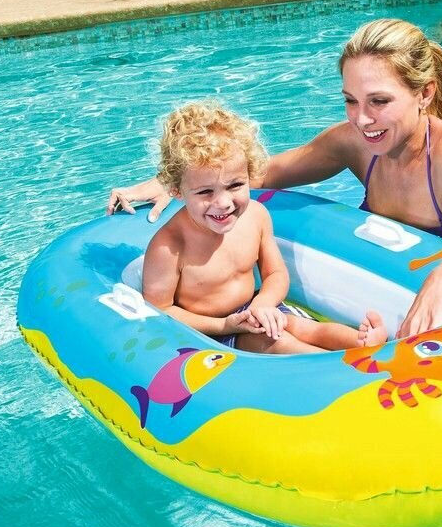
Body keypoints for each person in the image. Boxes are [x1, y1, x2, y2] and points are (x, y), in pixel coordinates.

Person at [109, 19, 442, 338]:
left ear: (424, 93)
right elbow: (257, 174)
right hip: (384, 290)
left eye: (379, 101)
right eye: (351, 100)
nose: (362, 119)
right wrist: (171, 182)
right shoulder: (354, 142)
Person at [143, 101, 387, 354]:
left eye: (235, 185)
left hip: (257, 307)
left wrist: (263, 303)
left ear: (250, 175)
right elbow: (160, 310)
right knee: (278, 343)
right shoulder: (169, 247)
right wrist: (224, 325)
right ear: (176, 191)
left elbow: (275, 274)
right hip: (211, 333)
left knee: (307, 328)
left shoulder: (255, 216)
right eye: (205, 192)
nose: (224, 203)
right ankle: (344, 367)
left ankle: (363, 342)